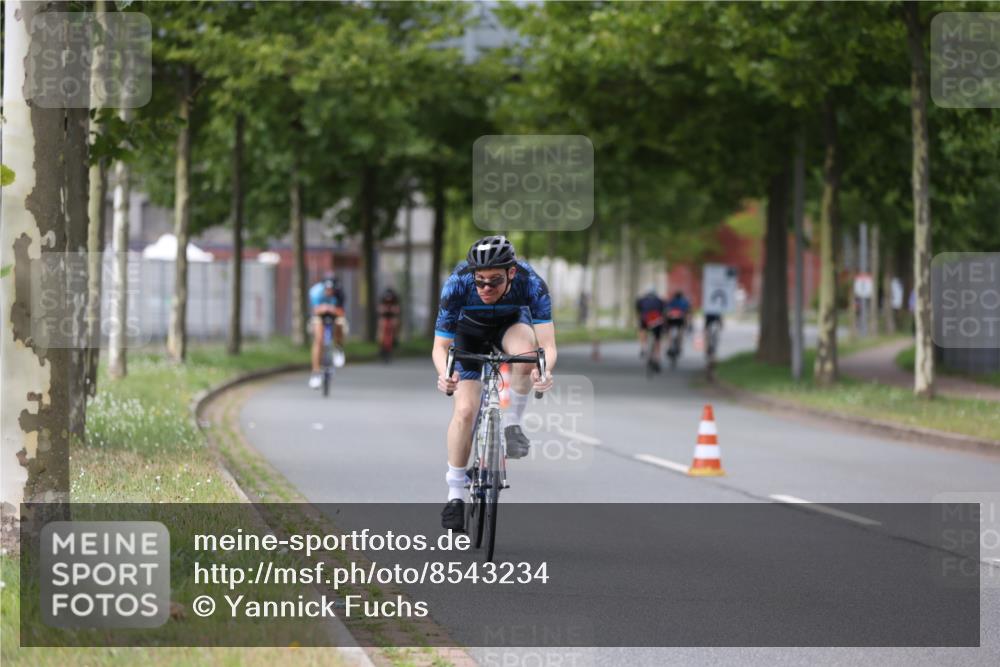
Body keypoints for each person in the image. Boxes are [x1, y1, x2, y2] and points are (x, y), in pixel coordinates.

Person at [432, 235, 556, 531]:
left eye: (495, 281)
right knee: (464, 411)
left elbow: (547, 345)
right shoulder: (458, 283)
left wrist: (544, 371)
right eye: (480, 281)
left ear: (512, 273)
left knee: (528, 357)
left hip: (510, 325)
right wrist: (445, 374)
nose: (486, 288)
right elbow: (440, 346)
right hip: (468, 333)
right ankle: (455, 496)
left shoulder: (531, 282)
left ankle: (513, 422)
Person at [307, 274, 347, 389]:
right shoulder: (315, 292)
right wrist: (323, 308)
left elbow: (341, 312)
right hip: (319, 315)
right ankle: (315, 372)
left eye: (331, 290)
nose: (329, 292)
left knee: (340, 323)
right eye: (327, 289)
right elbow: (315, 311)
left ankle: (338, 348)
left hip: (334, 313)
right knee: (318, 339)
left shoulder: (340, 293)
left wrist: (332, 309)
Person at [635, 287, 666, 369]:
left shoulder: (641, 300)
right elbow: (663, 312)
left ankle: (643, 347)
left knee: (642, 330)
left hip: (645, 319)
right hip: (656, 320)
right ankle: (657, 357)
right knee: (657, 339)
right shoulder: (660, 300)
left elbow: (638, 311)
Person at [663, 290, 691, 360]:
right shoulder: (684, 302)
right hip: (680, 319)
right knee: (681, 330)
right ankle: (679, 346)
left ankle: (669, 346)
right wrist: (688, 324)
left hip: (671, 319)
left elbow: (666, 311)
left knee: (669, 332)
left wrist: (665, 323)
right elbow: (687, 313)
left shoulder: (671, 301)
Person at [377, 287, 402, 355]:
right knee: (382, 326)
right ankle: (381, 343)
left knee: (395, 324)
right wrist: (385, 309)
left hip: (392, 317)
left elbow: (397, 310)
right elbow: (380, 310)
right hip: (384, 317)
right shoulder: (382, 298)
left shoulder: (395, 299)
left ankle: (395, 338)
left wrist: (393, 310)